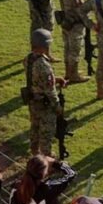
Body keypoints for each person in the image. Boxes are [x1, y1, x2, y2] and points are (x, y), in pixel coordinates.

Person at [24, 29, 64, 157]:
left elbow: (35, 78)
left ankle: (34, 151)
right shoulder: (44, 65)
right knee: (46, 131)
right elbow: (50, 90)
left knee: (34, 127)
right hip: (44, 103)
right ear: (44, 46)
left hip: (32, 100)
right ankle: (46, 157)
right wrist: (57, 106)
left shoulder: (28, 58)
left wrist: (55, 79)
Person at [58, 0, 92, 84]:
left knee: (67, 48)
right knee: (75, 50)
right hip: (75, 24)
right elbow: (81, 8)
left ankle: (68, 72)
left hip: (66, 22)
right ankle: (74, 75)